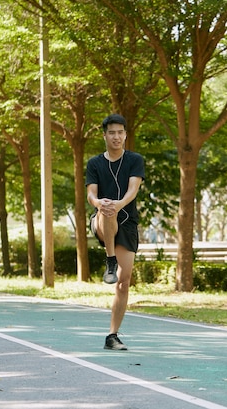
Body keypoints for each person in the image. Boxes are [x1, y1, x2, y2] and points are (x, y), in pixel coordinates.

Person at [85, 114, 145, 351]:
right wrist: (100, 203)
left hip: (127, 221)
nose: (116, 136)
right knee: (107, 210)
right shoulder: (95, 163)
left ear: (125, 134)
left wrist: (118, 204)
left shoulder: (134, 160)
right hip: (101, 218)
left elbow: (133, 190)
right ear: (105, 136)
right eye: (112, 133)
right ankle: (110, 260)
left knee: (123, 282)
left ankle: (112, 336)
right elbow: (91, 194)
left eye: (120, 132)